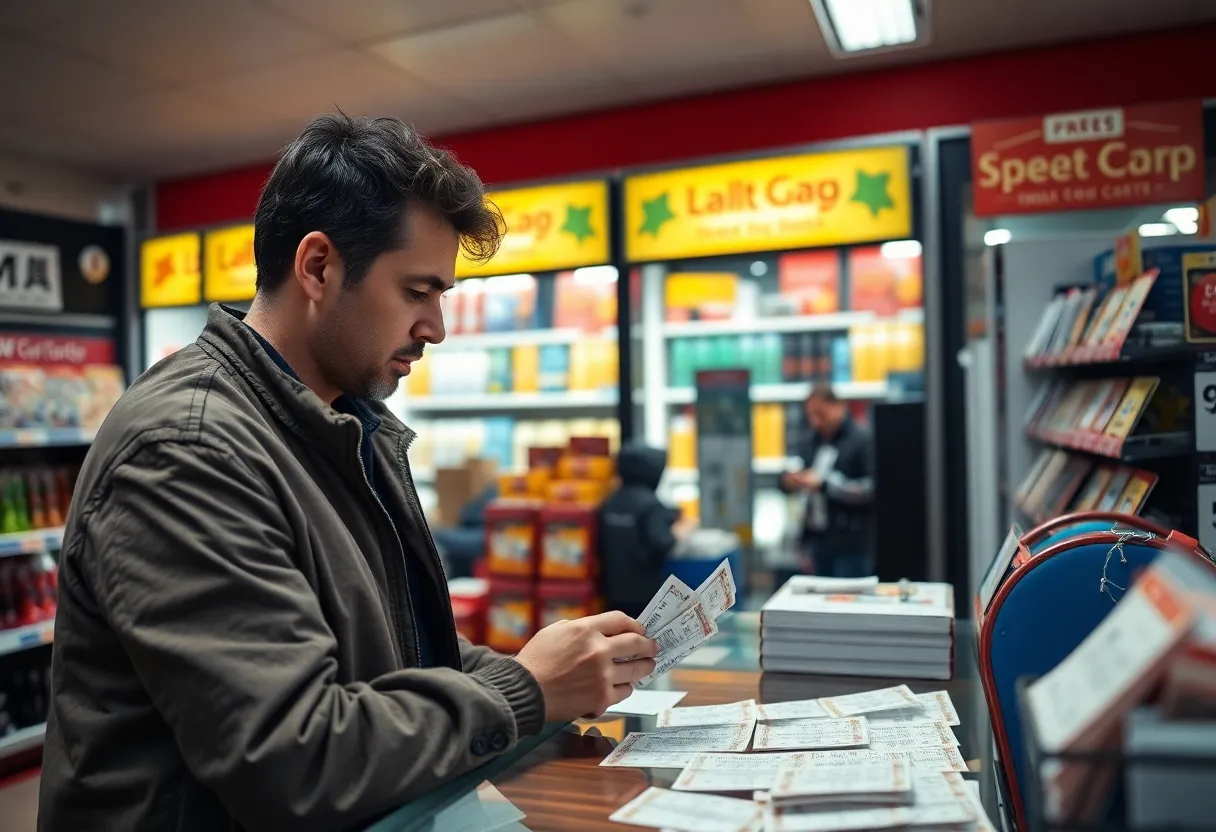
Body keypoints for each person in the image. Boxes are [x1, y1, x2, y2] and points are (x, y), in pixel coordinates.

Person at [38, 114, 657, 832]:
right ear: (319, 267)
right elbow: (292, 761)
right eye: (417, 291)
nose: (437, 327)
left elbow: (397, 651)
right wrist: (523, 689)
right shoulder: (190, 450)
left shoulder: (337, 422)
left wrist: (555, 671)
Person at [778, 386, 876, 580]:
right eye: (811, 416)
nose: (816, 422)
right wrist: (789, 481)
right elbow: (796, 469)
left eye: (820, 414)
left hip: (851, 543)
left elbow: (870, 490)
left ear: (839, 407)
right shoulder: (811, 441)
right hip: (817, 541)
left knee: (848, 602)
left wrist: (825, 485)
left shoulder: (861, 440)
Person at [599, 442, 695, 619]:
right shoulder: (651, 506)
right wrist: (682, 530)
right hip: (646, 597)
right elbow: (662, 543)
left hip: (611, 594)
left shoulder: (609, 502)